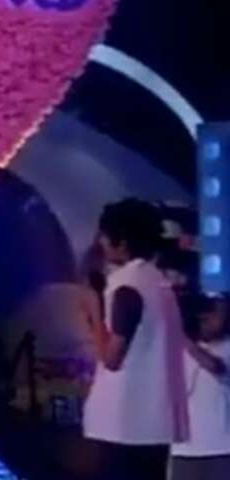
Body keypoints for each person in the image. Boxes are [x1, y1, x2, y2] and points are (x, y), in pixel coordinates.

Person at [82, 199, 188, 480]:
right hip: (152, 425)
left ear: (122, 243)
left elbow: (112, 358)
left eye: (105, 236)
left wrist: (94, 310)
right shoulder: (158, 283)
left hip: (125, 425)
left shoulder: (128, 287)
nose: (101, 243)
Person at [170, 296, 230, 479]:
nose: (209, 321)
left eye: (215, 314)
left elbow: (216, 367)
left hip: (221, 448)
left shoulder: (226, 347)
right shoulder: (177, 350)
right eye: (204, 317)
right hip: (183, 450)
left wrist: (184, 341)